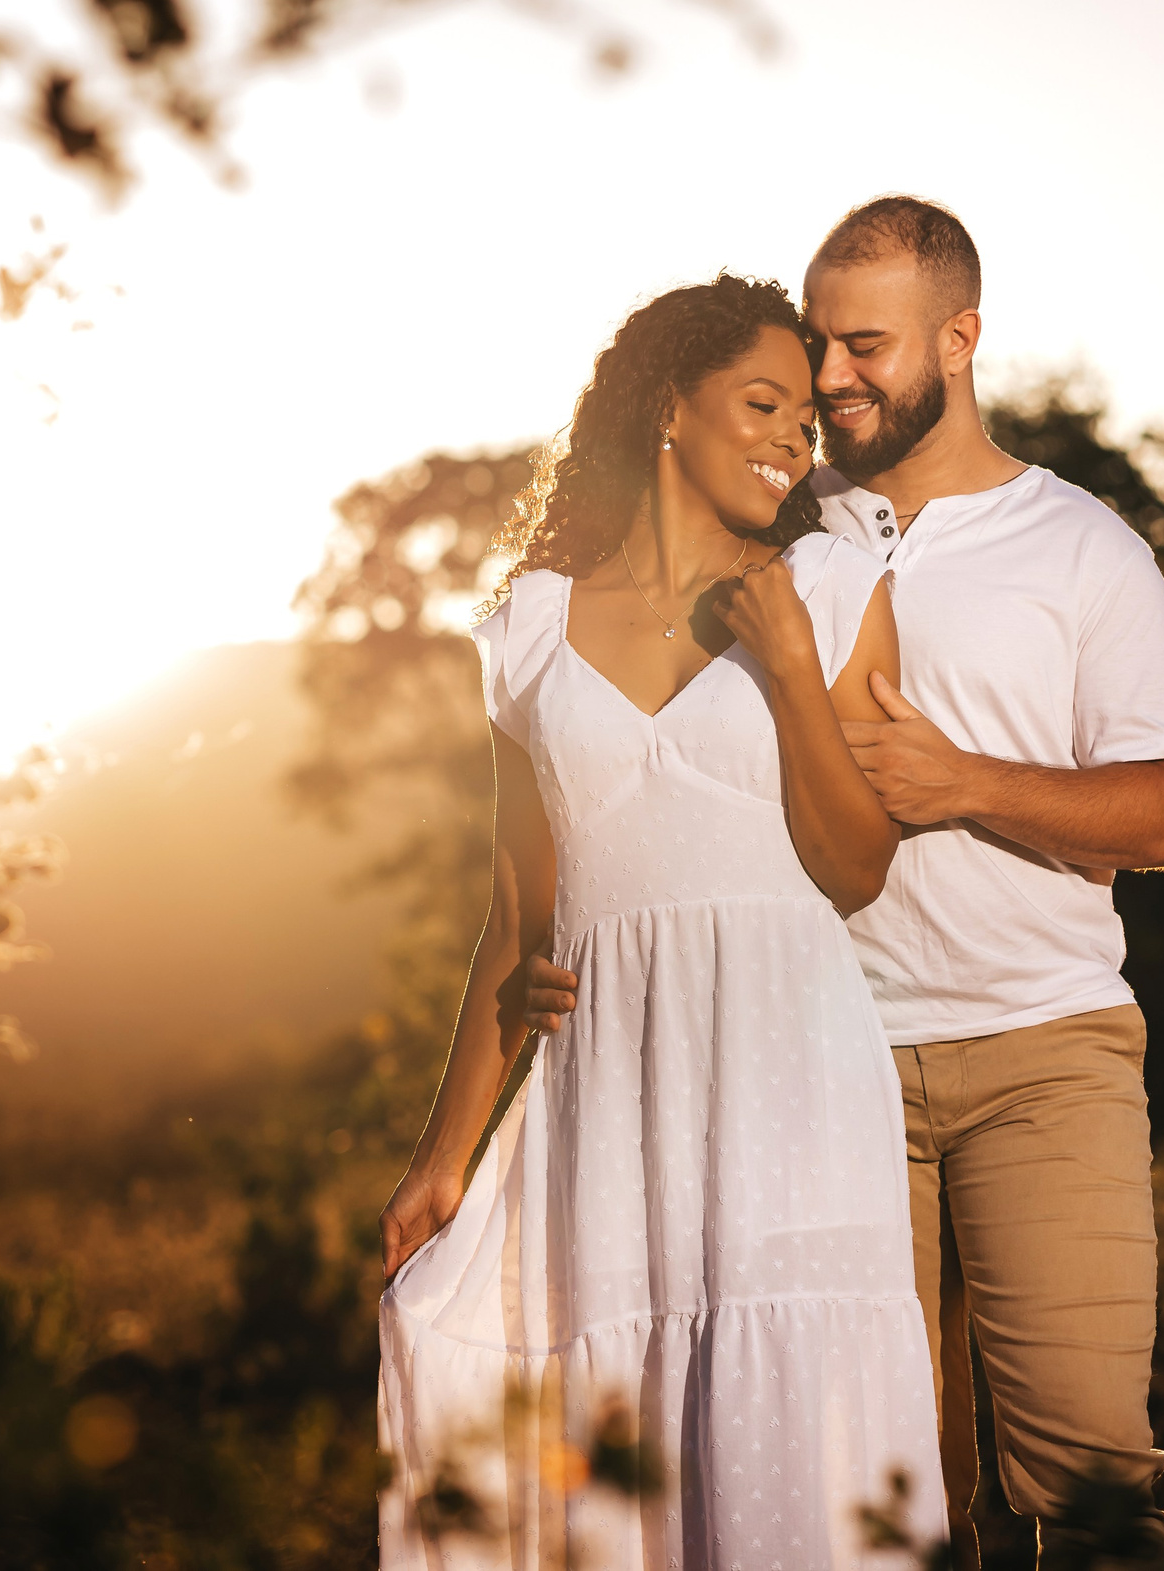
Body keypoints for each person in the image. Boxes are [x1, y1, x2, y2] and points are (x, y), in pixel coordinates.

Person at [522, 198, 1164, 1569]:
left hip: (1043, 1051)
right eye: (816, 346)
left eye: (866, 346)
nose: (831, 380)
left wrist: (971, 782)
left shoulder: (1080, 549)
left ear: (960, 340)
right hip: (815, 1068)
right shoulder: (770, 526)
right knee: (868, 1498)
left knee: (1085, 1490)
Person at [377, 273, 945, 1568]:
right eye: (763, 402)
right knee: (630, 1428)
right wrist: (441, 1156)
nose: (792, 440)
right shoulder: (528, 630)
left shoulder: (836, 589)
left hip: (788, 1067)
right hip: (606, 1092)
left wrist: (795, 667)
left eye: (806, 421)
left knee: (783, 1401)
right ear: (668, 406)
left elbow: (860, 868)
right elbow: (518, 910)